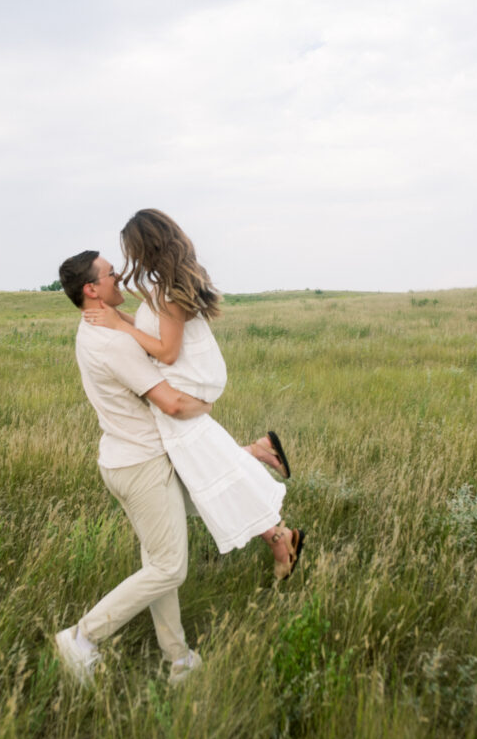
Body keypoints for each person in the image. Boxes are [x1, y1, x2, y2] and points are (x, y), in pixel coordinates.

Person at [83, 208, 305, 579]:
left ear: (144, 246)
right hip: (183, 388)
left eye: (130, 249)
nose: (124, 264)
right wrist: (116, 319)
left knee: (207, 471)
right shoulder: (160, 286)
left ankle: (279, 535)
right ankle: (275, 522)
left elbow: (166, 351)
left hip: (182, 389)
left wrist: (117, 326)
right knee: (205, 469)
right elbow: (149, 332)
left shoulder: (168, 290)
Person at [55, 249, 211, 686]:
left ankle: (179, 660)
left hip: (122, 460)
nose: (118, 275)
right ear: (92, 289)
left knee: (158, 559)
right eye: (109, 274)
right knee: (169, 568)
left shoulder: (94, 330)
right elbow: (172, 402)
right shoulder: (112, 341)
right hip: (141, 465)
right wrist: (207, 402)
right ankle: (82, 636)